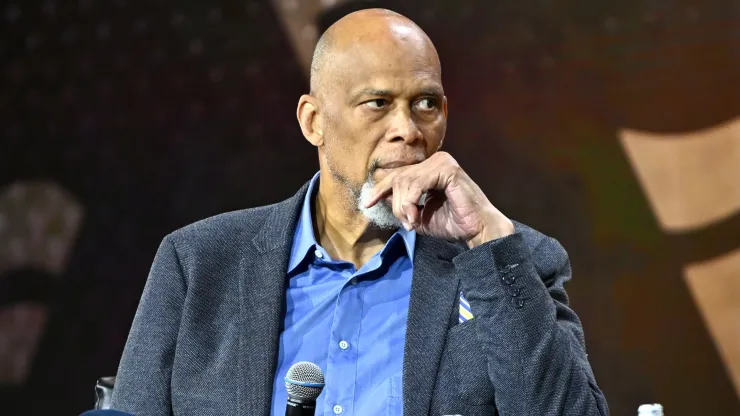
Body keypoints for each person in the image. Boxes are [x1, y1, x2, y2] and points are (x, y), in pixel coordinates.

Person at [111, 8, 609, 416]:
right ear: (313, 121)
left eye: (425, 104)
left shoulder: (511, 262)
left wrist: (487, 241)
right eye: (377, 103)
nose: (408, 130)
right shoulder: (199, 264)